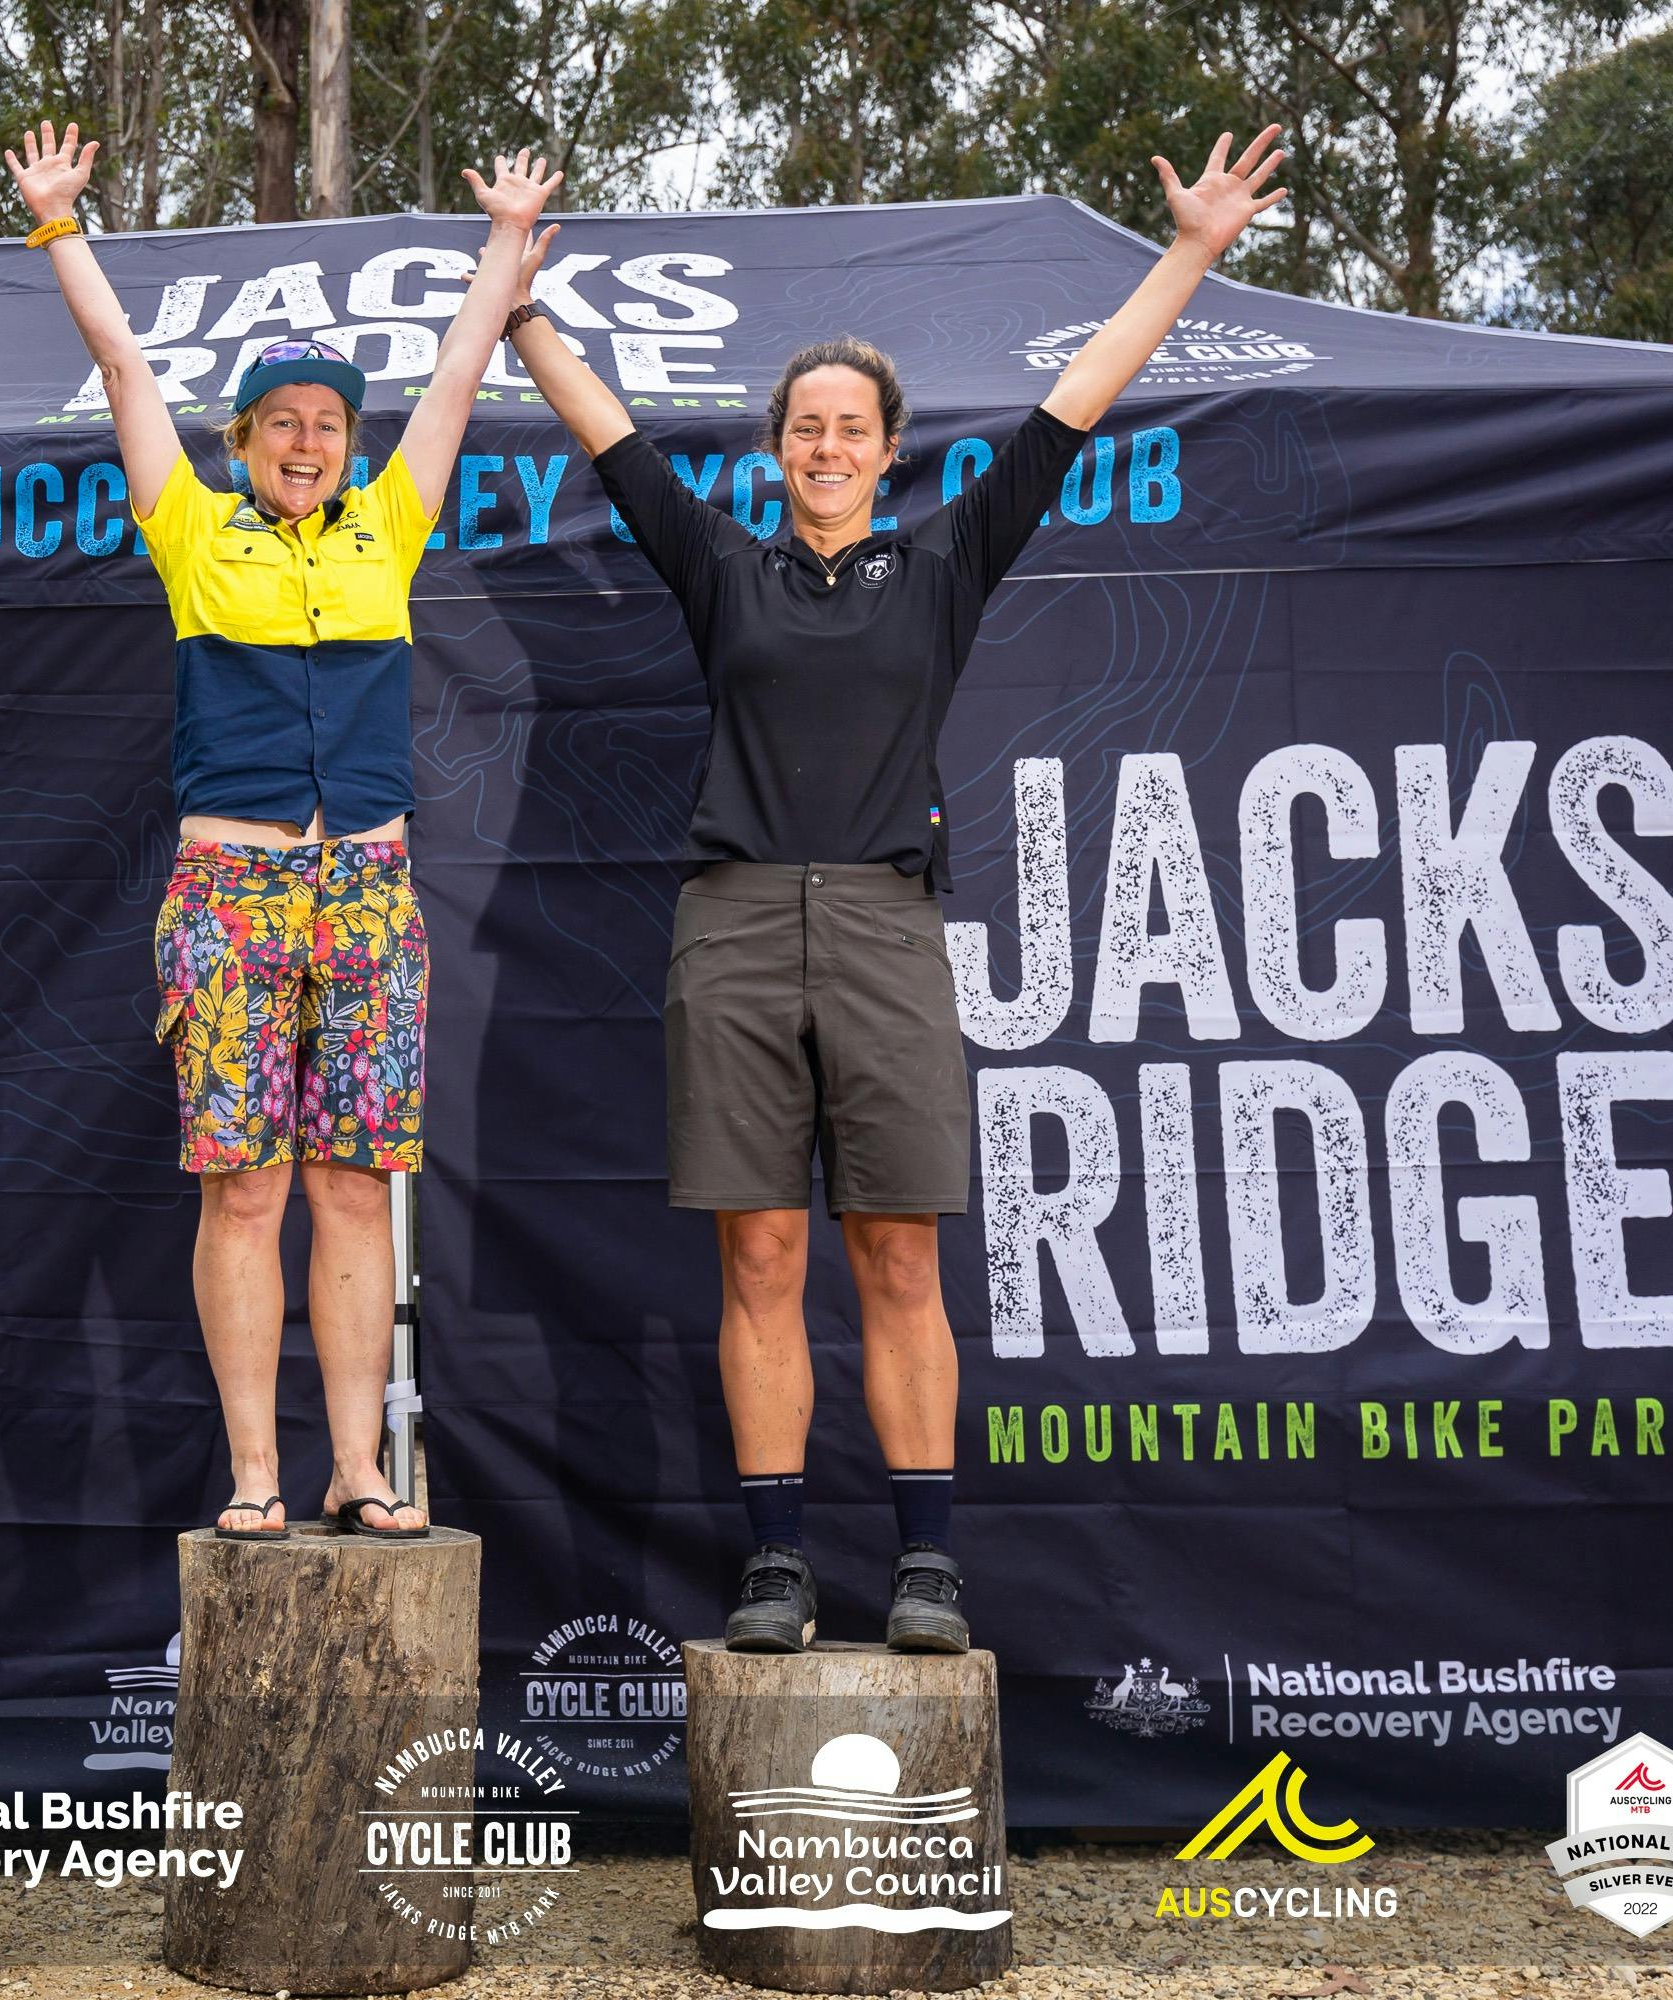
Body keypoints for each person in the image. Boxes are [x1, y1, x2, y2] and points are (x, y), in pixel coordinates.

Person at [508, 129, 1290, 1649]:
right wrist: (522, 298)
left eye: (850, 427)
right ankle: (779, 1564)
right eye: (802, 426)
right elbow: (606, 436)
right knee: (760, 1253)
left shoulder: (941, 563)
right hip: (732, 926)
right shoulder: (722, 565)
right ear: (775, 449)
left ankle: (926, 1559)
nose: (824, 447)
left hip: (882, 921)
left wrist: (1190, 251)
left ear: (887, 449)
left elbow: (1079, 400)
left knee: (899, 1250)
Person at [5, 121, 559, 1540]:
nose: (309, 443)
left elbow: (452, 375)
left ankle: (357, 1466)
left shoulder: (390, 529)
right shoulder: (192, 530)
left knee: (356, 1189)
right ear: (241, 442)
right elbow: (127, 370)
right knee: (246, 1190)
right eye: (283, 425)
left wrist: (503, 247)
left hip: (368, 893)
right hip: (231, 893)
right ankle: (256, 1472)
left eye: (327, 424)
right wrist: (62, 225)